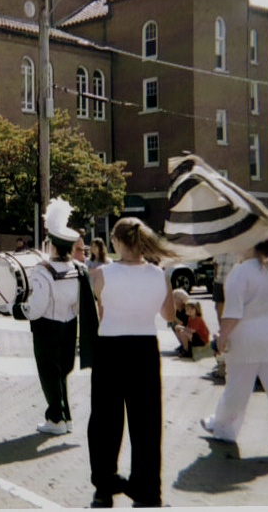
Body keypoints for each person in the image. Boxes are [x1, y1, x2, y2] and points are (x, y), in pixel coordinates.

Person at [87, 217, 177, 508]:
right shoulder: (158, 274)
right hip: (145, 348)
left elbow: (102, 306)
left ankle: (104, 484)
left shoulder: (101, 274)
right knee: (147, 422)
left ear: (116, 241)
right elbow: (169, 315)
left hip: (111, 347)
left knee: (105, 420)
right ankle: (148, 488)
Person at [26, 198, 97, 436]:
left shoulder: (43, 271)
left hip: (47, 327)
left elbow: (36, 308)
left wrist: (18, 309)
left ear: (53, 245)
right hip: (70, 325)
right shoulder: (78, 270)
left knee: (49, 373)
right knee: (63, 372)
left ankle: (55, 417)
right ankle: (65, 416)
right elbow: (80, 303)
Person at [201, 236, 268, 453]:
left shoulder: (240, 272)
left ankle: (224, 428)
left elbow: (232, 313)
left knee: (237, 389)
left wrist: (221, 338)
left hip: (245, 338)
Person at [210, 252, 237, 380]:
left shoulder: (237, 249)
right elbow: (215, 264)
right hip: (219, 282)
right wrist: (215, 280)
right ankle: (223, 354)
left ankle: (228, 359)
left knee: (231, 315)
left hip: (232, 283)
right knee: (219, 312)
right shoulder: (220, 247)